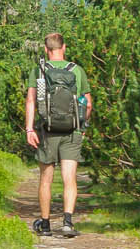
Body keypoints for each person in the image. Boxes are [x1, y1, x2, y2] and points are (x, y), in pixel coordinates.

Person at [24, 32, 92, 238]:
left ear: (46, 49)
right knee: (69, 178)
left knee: (46, 179)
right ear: (64, 48)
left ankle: (45, 225)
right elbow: (87, 103)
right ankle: (68, 223)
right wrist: (81, 125)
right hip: (72, 131)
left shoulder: (39, 70)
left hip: (47, 130)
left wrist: (29, 129)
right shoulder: (76, 70)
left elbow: (31, 101)